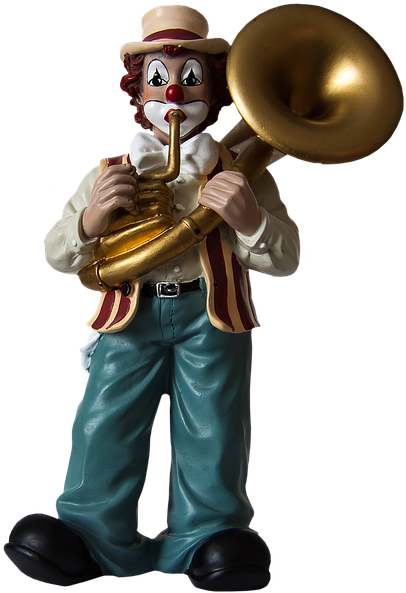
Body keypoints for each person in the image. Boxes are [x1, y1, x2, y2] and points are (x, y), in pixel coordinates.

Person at [4, 5, 300, 590]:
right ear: (137, 92)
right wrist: (91, 220)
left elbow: (287, 258)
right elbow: (56, 255)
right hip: (130, 312)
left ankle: (209, 535)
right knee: (104, 420)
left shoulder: (245, 173)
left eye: (190, 78)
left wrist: (249, 220)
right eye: (159, 80)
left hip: (212, 312)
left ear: (213, 92)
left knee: (215, 426)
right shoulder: (110, 170)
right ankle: (90, 533)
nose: (174, 93)